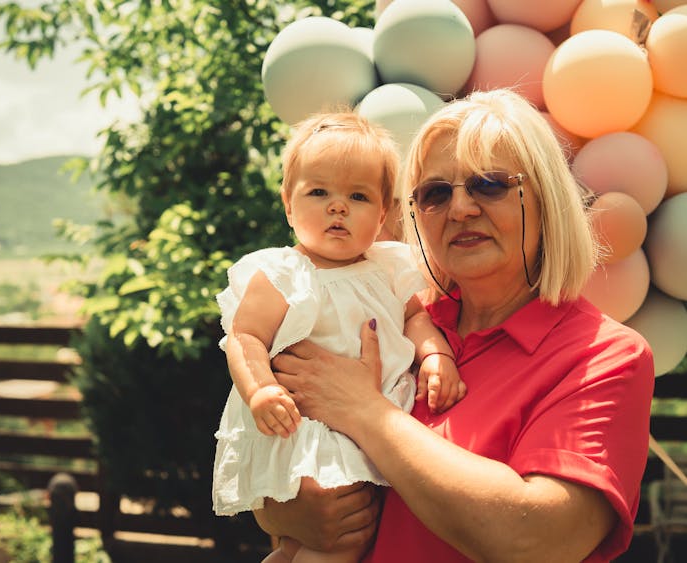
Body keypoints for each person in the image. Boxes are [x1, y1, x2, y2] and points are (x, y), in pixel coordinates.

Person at [257, 89, 655, 562]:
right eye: (436, 193)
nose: (460, 208)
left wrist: (366, 412)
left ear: (546, 199)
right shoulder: (389, 316)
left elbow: (539, 541)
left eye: (489, 184)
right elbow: (282, 444)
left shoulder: (604, 356)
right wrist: (280, 511)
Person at [211, 111, 466, 563]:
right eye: (319, 192)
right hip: (306, 426)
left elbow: (416, 319)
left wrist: (434, 356)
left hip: (369, 422)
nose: (338, 206)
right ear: (288, 203)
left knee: (320, 539)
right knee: (343, 534)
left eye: (358, 196)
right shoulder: (283, 274)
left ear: (383, 212)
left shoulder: (387, 268)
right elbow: (245, 337)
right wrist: (262, 390)